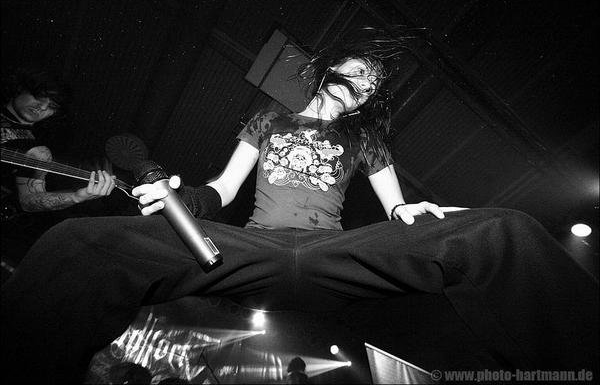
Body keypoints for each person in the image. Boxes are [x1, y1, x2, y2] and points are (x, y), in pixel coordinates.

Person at [1, 28, 598, 383]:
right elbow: (224, 190)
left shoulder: (366, 138)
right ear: (332, 70)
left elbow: (396, 207)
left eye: (370, 85)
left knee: (502, 229)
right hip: (250, 247)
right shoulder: (269, 119)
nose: (360, 85)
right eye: (356, 73)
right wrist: (181, 198)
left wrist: (408, 213)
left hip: (332, 250)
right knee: (81, 241)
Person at [1, 68, 116, 271]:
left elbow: (29, 200)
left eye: (52, 106)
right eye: (40, 96)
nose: (43, 107)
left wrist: (77, 196)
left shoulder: (36, 152)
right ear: (20, 89)